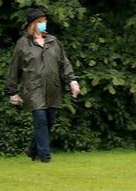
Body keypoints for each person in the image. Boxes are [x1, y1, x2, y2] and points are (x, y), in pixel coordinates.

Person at [5, 9, 80, 163]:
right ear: (32, 25)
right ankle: (45, 157)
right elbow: (14, 68)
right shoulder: (23, 44)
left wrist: (72, 81)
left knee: (49, 120)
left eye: (44, 21)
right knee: (40, 120)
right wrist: (12, 92)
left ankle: (33, 149)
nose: (43, 24)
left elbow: (63, 63)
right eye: (40, 21)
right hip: (33, 89)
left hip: (53, 88)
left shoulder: (53, 41)